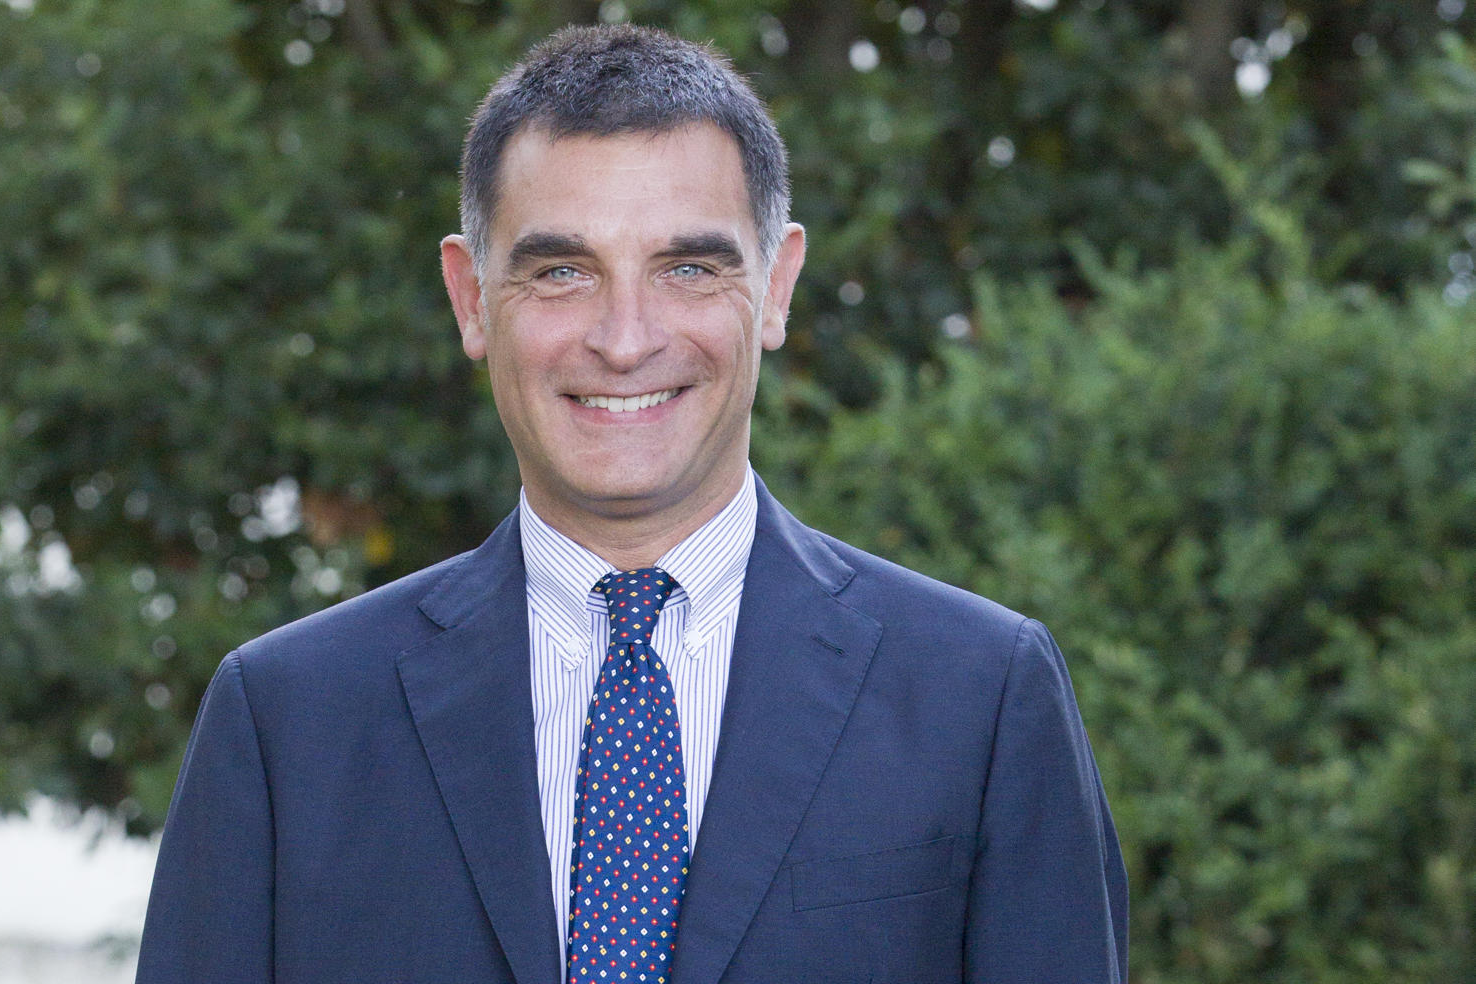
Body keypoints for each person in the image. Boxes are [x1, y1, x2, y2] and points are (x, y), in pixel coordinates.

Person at [135, 23, 1127, 984]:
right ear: (471, 298)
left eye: (687, 269)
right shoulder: (286, 723)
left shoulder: (981, 698)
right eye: (561, 272)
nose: (623, 339)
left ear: (777, 287)